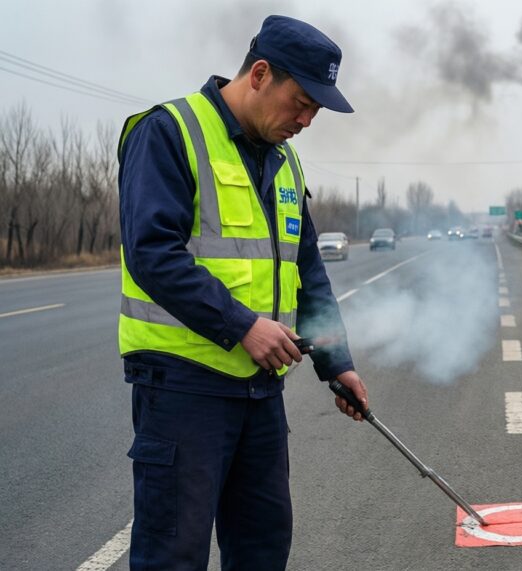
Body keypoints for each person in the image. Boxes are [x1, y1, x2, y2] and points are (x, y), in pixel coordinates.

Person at [118, 15, 368, 570]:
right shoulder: (168, 131)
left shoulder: (284, 161)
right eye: (301, 102)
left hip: (259, 391)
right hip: (183, 387)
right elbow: (152, 252)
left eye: (316, 112)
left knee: (262, 546)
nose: (306, 120)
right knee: (172, 555)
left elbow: (308, 271)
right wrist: (243, 326)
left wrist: (336, 362)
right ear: (259, 74)